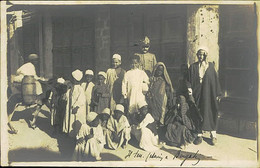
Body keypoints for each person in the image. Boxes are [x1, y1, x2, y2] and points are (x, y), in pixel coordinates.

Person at [188, 48, 222, 145]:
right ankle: (199, 135)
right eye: (199, 54)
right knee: (198, 112)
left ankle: (213, 135)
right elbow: (188, 79)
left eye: (202, 55)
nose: (200, 56)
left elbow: (215, 80)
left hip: (209, 93)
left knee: (210, 112)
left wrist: (217, 93)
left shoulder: (210, 66)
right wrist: (190, 89)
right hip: (197, 92)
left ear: (206, 55)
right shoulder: (193, 67)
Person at [7, 53, 46, 132]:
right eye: (36, 60)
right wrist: (41, 79)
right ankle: (36, 98)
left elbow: (18, 71)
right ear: (33, 61)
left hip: (19, 79)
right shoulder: (31, 66)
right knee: (37, 85)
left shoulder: (26, 65)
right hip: (25, 80)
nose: (37, 62)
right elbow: (33, 76)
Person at [122, 55, 149, 122]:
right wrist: (125, 96)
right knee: (132, 110)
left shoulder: (142, 73)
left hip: (140, 95)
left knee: (140, 109)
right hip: (131, 95)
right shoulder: (127, 73)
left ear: (139, 63)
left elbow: (147, 81)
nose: (134, 65)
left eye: (135, 63)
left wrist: (144, 86)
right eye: (132, 63)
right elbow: (124, 84)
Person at [147, 62, 174, 126]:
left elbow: (169, 91)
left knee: (162, 112)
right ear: (155, 70)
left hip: (162, 100)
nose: (159, 72)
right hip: (152, 100)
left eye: (161, 70)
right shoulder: (152, 79)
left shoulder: (165, 81)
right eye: (158, 70)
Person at [63, 69, 87, 137]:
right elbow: (67, 96)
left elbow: (81, 99)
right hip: (70, 106)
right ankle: (69, 133)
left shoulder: (80, 88)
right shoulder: (71, 87)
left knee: (75, 121)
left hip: (76, 108)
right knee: (70, 119)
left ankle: (76, 134)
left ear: (75, 79)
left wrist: (76, 107)